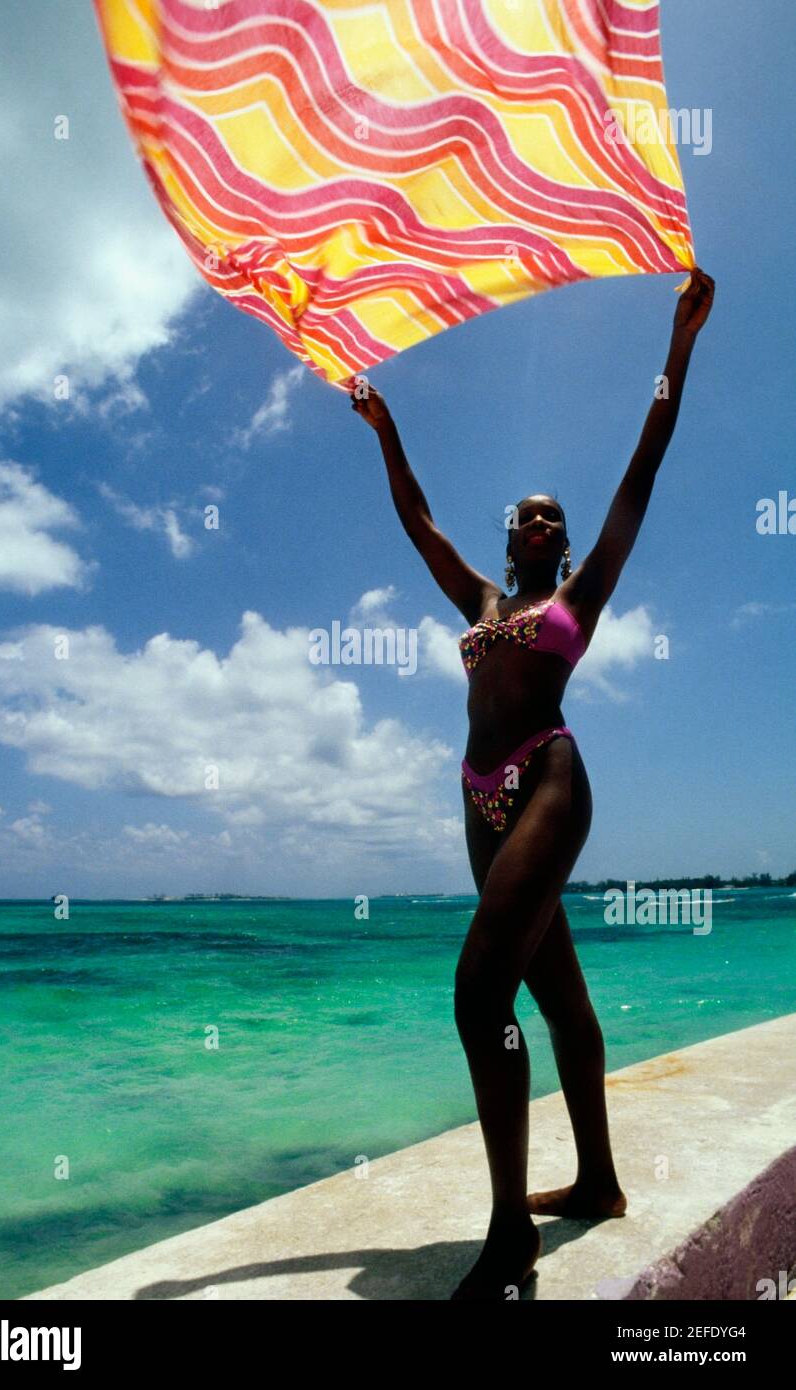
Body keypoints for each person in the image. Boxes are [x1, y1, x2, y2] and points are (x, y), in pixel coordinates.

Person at [350, 268, 715, 1300]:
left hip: (548, 778)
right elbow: (418, 522)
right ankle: (595, 1179)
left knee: (478, 994)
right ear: (511, 536)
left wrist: (675, 348)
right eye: (532, 517)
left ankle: (510, 1235)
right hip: (475, 795)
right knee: (555, 991)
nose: (547, 526)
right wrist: (384, 424)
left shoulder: (581, 596)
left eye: (556, 519)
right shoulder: (474, 598)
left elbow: (640, 470)